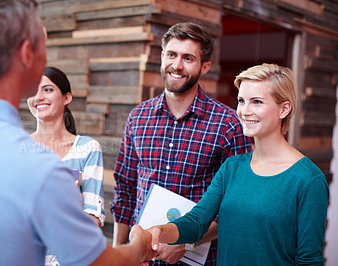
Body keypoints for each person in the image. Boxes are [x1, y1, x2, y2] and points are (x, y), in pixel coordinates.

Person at [0, 0, 155, 265]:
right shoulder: (43, 170)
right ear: (28, 53)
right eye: (44, 43)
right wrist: (140, 246)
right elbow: (97, 262)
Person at [147, 63, 330, 265]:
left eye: (257, 102)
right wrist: (158, 231)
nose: (244, 111)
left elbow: (309, 260)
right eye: (241, 101)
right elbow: (197, 221)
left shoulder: (308, 180)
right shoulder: (231, 167)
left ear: (284, 109)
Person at [110, 22, 251, 265]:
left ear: (204, 66)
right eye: (172, 55)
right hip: (142, 258)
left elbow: (236, 205)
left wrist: (186, 244)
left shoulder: (228, 124)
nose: (177, 65)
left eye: (188, 58)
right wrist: (119, 254)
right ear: (162, 56)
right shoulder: (138, 117)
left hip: (197, 260)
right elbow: (125, 191)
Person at [28, 66, 105, 228]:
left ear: (66, 98)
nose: (38, 97)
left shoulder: (88, 149)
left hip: (70, 253)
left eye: (47, 90)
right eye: (32, 90)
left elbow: (94, 220)